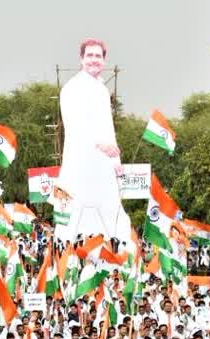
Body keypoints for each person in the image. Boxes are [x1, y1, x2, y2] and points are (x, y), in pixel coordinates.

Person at [56, 38, 132, 244]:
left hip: (102, 166)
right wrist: (99, 145)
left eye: (98, 56)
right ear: (81, 59)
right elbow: (73, 125)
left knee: (113, 222)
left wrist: (116, 159)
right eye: (89, 55)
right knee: (69, 226)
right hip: (78, 166)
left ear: (104, 61)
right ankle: (63, 271)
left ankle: (119, 266)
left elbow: (108, 127)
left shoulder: (101, 89)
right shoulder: (72, 88)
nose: (94, 60)